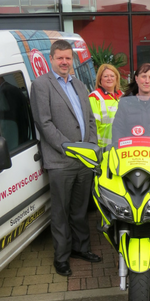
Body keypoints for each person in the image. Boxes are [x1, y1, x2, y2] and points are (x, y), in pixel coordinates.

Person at [30, 39, 101, 277]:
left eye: (68, 58)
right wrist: (68, 147)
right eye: (60, 58)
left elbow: (90, 119)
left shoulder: (80, 85)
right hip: (61, 160)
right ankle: (61, 257)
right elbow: (44, 122)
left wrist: (90, 146)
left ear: (72, 60)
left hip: (84, 160)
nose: (64, 62)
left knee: (80, 209)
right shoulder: (41, 85)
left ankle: (81, 248)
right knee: (60, 211)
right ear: (51, 60)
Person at [89, 64, 123, 148]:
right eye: (105, 76)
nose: (109, 78)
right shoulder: (94, 97)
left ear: (116, 78)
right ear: (100, 79)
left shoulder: (123, 96)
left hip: (122, 146)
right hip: (103, 148)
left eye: (112, 76)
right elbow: (93, 124)